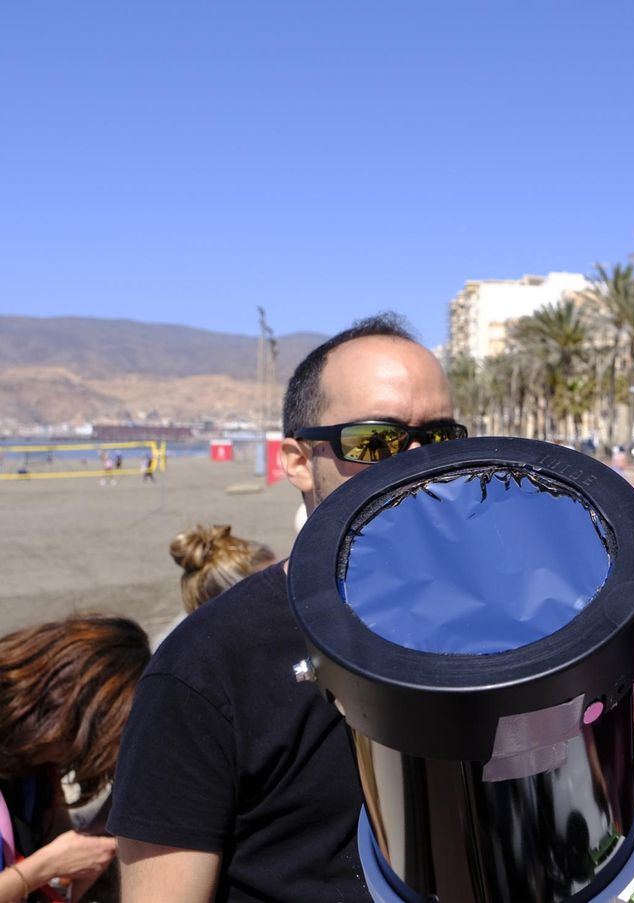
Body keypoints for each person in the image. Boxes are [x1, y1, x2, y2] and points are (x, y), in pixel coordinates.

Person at [109, 313, 464, 902]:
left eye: (443, 438)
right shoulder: (206, 669)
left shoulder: (501, 624)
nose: (419, 464)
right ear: (298, 462)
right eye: (376, 441)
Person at [0, 616, 150, 902]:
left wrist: (84, 855)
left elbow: (56, 848)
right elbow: (48, 862)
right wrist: (44, 867)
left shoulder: (37, 766)